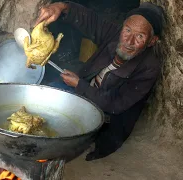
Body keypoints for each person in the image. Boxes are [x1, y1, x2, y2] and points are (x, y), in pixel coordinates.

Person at [34, 2, 165, 160]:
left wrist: (79, 84)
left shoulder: (149, 68)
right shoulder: (115, 34)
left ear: (151, 41)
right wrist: (62, 7)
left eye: (140, 36)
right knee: (47, 94)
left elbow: (115, 104)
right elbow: (91, 21)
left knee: (61, 137)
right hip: (84, 91)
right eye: (128, 30)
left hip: (106, 117)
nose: (129, 41)